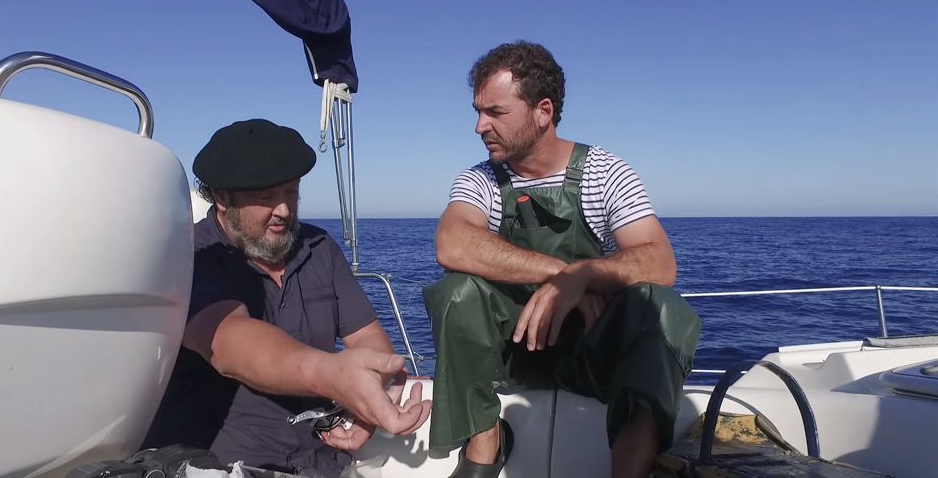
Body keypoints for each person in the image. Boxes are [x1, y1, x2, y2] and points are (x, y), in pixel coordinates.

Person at [424, 42, 701, 478]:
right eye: (478, 112)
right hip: (513, 353)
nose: (480, 126)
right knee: (456, 292)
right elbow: (452, 243)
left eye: (495, 112)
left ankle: (631, 467)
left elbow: (660, 262)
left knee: (659, 306)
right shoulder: (481, 180)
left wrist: (587, 275)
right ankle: (485, 445)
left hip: (591, 353)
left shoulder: (604, 173)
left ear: (543, 111)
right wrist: (566, 277)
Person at [144, 118, 431, 478]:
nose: (283, 210)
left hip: (323, 460)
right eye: (266, 198)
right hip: (221, 464)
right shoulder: (191, 256)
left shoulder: (319, 248)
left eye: (291, 193)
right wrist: (331, 375)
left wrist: (368, 400)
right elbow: (229, 343)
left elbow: (367, 336)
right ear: (221, 198)